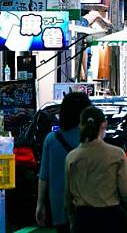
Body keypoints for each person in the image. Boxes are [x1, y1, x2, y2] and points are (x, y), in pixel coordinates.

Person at [64, 107, 127, 233]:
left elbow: (68, 195)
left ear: (81, 126)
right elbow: (126, 191)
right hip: (110, 218)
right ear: (104, 125)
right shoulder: (117, 154)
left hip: (83, 219)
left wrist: (71, 218)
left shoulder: (72, 157)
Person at [36, 93, 91, 232]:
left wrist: (40, 204)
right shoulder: (92, 140)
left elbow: (44, 177)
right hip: (89, 204)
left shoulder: (51, 140)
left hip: (59, 207)